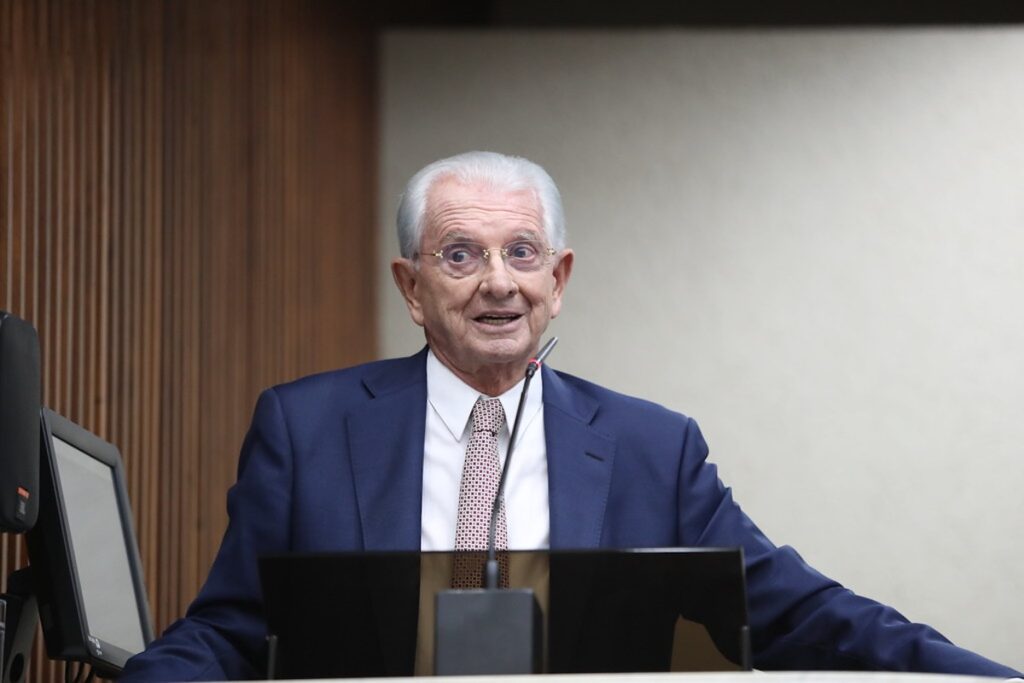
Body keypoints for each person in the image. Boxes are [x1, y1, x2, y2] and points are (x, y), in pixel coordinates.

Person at [121, 151, 1021, 681]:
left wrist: (987, 679)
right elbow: (229, 631)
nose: (498, 282)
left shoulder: (652, 449)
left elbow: (799, 613)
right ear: (412, 287)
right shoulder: (305, 429)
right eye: (460, 254)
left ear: (558, 281)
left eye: (522, 253)